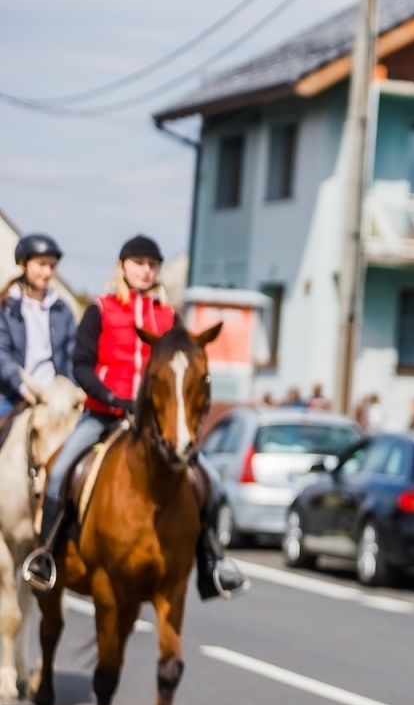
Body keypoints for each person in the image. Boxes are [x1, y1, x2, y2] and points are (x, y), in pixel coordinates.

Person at [22, 235, 246, 601]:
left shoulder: (169, 316)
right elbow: (80, 365)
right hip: (104, 414)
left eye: (152, 264)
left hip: (156, 424)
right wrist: (111, 397)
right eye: (138, 262)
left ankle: (211, 565)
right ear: (122, 267)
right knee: (60, 471)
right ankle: (45, 555)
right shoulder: (101, 309)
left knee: (211, 481)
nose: (146, 270)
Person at [0, 234, 76, 418]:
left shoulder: (62, 310)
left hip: (56, 396)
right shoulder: (5, 306)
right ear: (23, 264)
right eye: (41, 264)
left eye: (52, 266)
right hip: (13, 394)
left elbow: (72, 355)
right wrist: (21, 385)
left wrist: (72, 390)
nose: (47, 273)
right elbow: (2, 352)